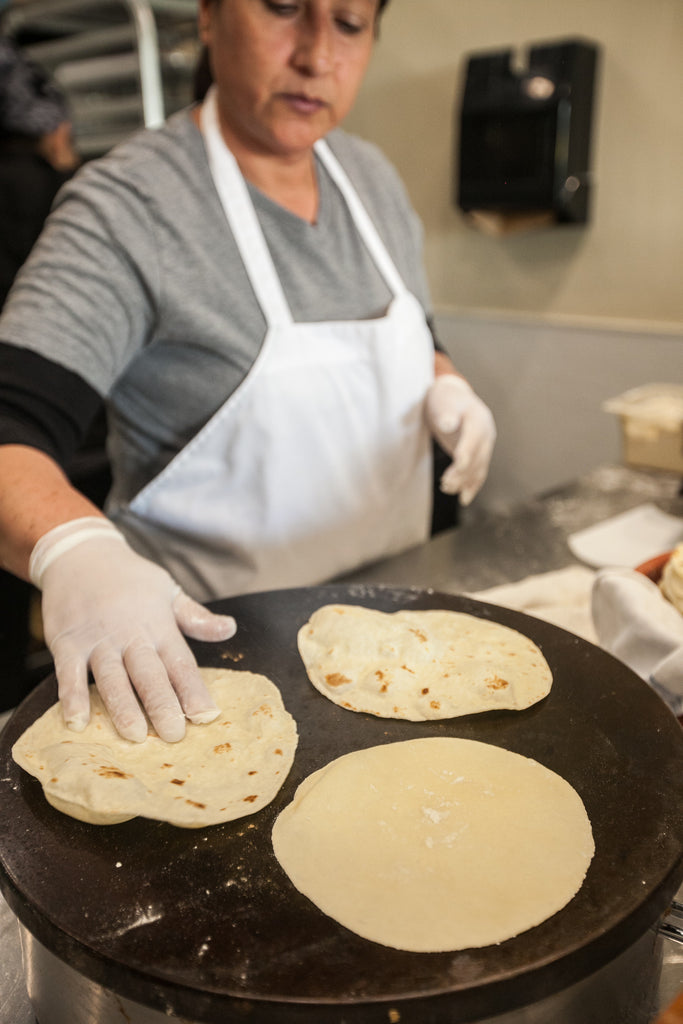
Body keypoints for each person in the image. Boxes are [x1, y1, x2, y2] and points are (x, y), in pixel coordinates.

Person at [0, 0, 496, 745]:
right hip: (204, 671)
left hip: (396, 646)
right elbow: (10, 425)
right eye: (284, 9)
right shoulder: (129, 206)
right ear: (207, 17)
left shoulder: (370, 179)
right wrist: (74, 549)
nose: (317, 55)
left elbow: (413, 330)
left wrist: (444, 380)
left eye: (350, 24)